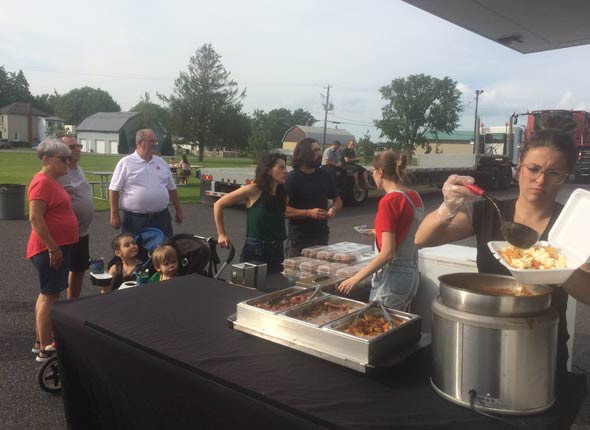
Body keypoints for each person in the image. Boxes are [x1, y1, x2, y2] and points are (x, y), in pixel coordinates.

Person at [415, 128, 590, 387]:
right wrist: (447, 207)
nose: (540, 180)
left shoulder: (572, 226)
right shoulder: (488, 212)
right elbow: (423, 238)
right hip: (482, 338)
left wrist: (557, 270)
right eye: (533, 169)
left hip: (542, 345)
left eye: (553, 173)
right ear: (519, 168)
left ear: (564, 177)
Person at [338, 151, 424, 309]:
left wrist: (355, 279)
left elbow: (388, 253)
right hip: (411, 274)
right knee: (398, 324)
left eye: (372, 171)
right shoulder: (413, 196)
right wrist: (379, 233)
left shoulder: (389, 201)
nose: (372, 175)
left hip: (392, 276)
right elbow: (409, 231)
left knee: (379, 326)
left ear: (380, 172)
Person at [26, 139, 79, 362]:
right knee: (50, 296)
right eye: (63, 159)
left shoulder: (53, 181)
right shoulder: (42, 183)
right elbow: (35, 218)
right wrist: (53, 247)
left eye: (68, 158)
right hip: (50, 249)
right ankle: (46, 347)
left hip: (57, 247)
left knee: (47, 294)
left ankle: (41, 341)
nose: (68, 162)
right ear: (46, 160)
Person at [214, 153, 288, 273]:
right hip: (255, 250)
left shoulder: (282, 194)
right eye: (281, 167)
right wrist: (221, 234)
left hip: (277, 250)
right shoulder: (253, 190)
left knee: (275, 286)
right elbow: (218, 204)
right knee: (249, 288)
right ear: (268, 170)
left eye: (285, 167)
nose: (285, 171)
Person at [109, 129, 183, 238]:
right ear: (139, 143)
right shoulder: (125, 163)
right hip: (134, 219)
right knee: (135, 251)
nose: (155, 144)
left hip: (161, 218)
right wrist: (114, 214)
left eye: (155, 141)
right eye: (151, 141)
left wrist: (178, 209)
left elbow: (172, 189)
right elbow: (114, 190)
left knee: (164, 251)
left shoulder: (161, 162)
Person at [285, 138, 343, 258]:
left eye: (319, 150)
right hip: (299, 240)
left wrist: (333, 209)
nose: (319, 154)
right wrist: (308, 213)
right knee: (296, 276)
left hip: (321, 237)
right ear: (304, 153)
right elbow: (283, 210)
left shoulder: (324, 175)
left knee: (319, 276)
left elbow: (338, 200)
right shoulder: (291, 178)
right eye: (315, 151)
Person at [58, 135, 94, 299]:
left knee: (79, 269)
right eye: (72, 147)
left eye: (78, 145)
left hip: (82, 232)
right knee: (57, 278)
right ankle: (54, 313)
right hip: (64, 235)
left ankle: (73, 304)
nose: (77, 149)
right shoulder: (58, 173)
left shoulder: (77, 169)